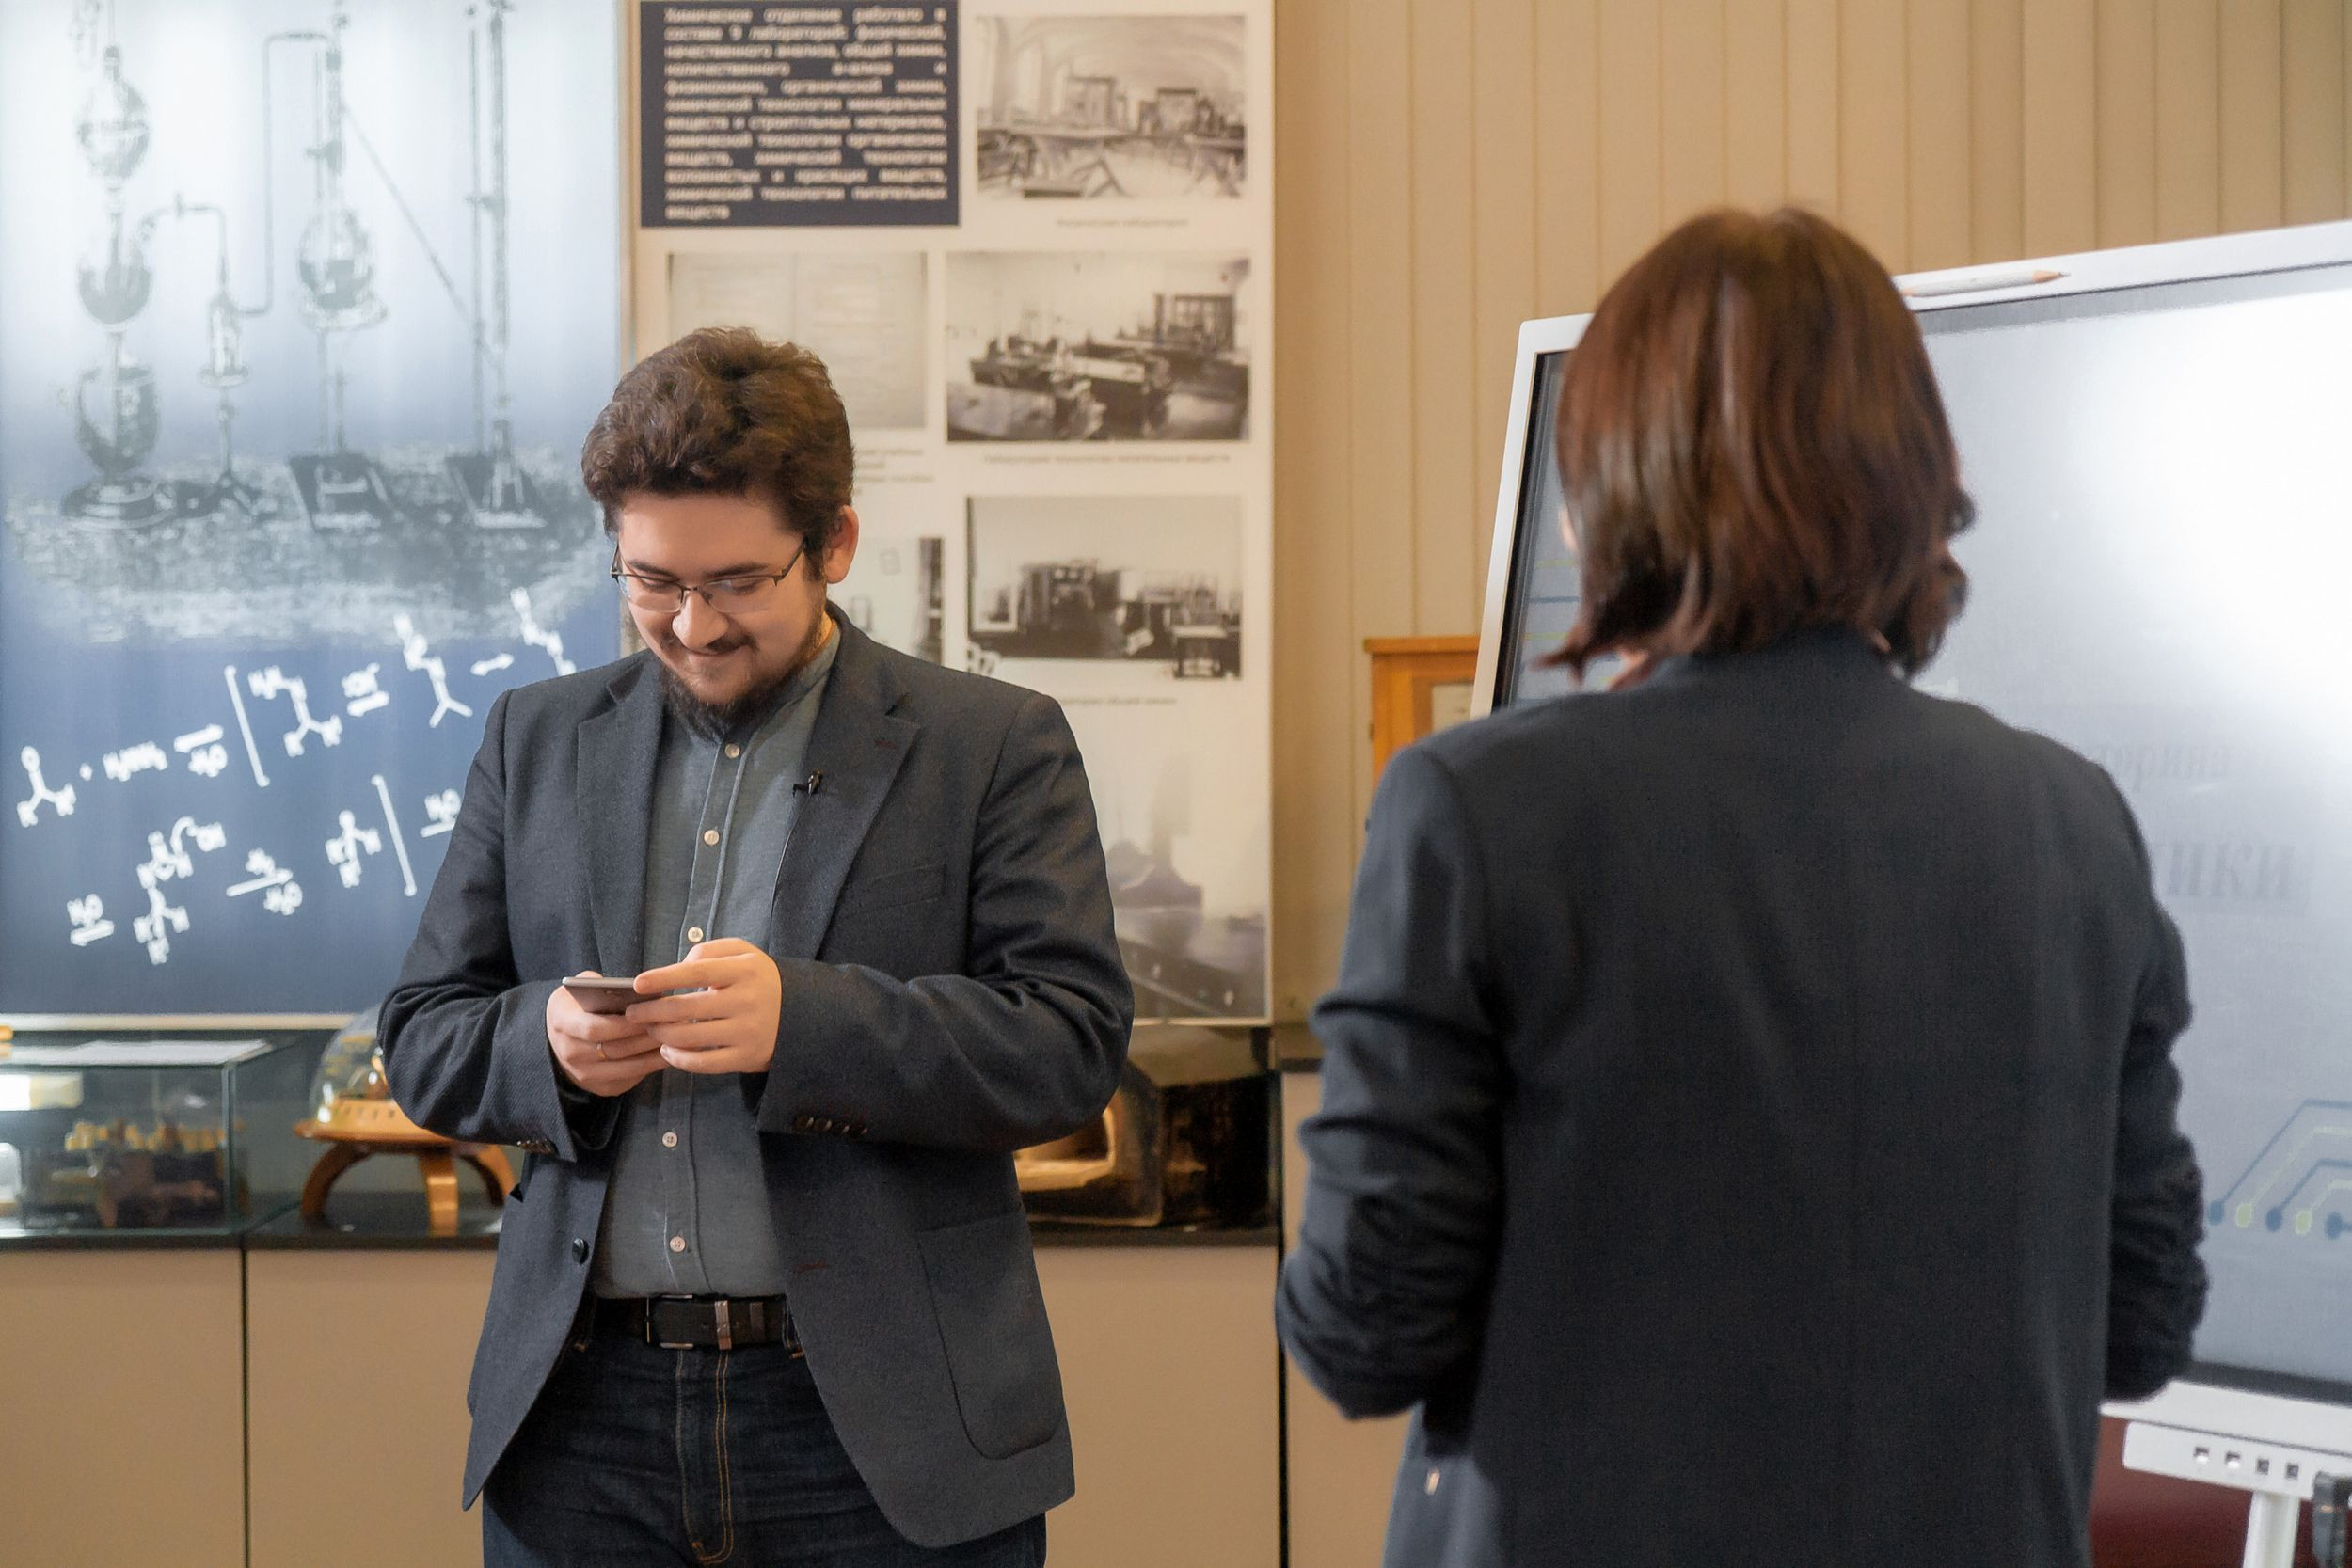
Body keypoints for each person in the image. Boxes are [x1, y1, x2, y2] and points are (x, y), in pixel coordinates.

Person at [1275, 208, 2207, 1568]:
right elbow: (2142, 1322)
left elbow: (1366, 1332)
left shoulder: (1477, 808)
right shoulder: (2076, 820)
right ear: (1913, 480)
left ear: (1609, 484)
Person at [381, 327, 1133, 1566]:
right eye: (650, 582)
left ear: (832, 543)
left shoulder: (991, 743)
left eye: (736, 581)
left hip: (882, 1431)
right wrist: (548, 1043)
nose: (691, 624)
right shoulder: (537, 738)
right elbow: (423, 1032)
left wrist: (812, 1024)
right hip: (582, 1430)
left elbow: (1070, 1043)